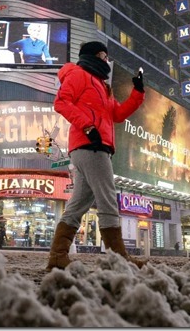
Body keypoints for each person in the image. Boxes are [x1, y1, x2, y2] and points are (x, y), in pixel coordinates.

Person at [46, 41, 146, 271]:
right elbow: (61, 102)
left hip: (93, 148)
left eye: (106, 56)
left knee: (77, 205)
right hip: (91, 146)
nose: (105, 60)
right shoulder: (79, 74)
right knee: (108, 200)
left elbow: (118, 114)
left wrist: (137, 92)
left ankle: (57, 257)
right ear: (91, 56)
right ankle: (118, 260)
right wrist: (89, 127)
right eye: (102, 55)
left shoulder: (102, 85)